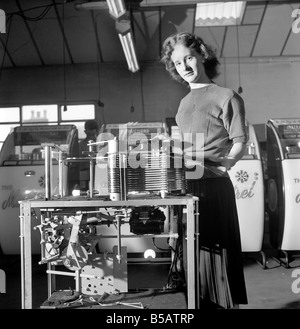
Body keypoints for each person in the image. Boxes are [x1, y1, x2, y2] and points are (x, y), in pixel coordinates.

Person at [161, 32, 248, 309]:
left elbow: (240, 142)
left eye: (189, 58)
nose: (184, 67)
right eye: (177, 63)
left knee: (216, 263)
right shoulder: (184, 103)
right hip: (187, 188)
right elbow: (189, 146)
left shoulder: (226, 96)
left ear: (202, 55)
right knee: (190, 262)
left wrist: (225, 165)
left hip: (213, 188)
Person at [78, 119, 99, 190]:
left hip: (98, 172)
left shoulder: (100, 143)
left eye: (92, 134)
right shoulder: (81, 145)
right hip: (85, 174)